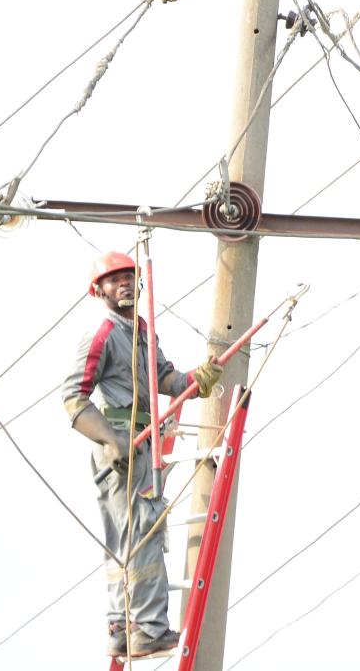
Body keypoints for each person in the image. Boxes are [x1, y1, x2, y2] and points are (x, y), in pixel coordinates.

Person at [62, 250, 223, 658]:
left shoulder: (143, 332)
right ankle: (149, 628)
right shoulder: (101, 334)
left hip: (140, 438)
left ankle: (121, 626)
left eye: (129, 277)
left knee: (125, 538)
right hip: (120, 443)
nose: (124, 285)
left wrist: (195, 381)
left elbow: (164, 376)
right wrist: (110, 440)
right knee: (142, 534)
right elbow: (73, 398)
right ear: (99, 290)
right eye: (114, 280)